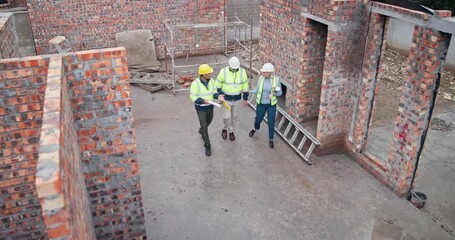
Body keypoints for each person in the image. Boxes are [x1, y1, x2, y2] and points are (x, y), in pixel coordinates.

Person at [190, 64, 223, 156]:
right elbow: (193, 97)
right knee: (204, 125)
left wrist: (218, 96)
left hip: (210, 107)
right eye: (208, 73)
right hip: (201, 108)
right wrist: (203, 101)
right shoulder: (195, 84)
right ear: (203, 75)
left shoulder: (212, 81)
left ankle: (201, 131)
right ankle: (207, 145)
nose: (210, 74)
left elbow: (214, 92)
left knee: (209, 121)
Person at [248, 63, 282, 148]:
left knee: (271, 122)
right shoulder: (261, 79)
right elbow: (256, 90)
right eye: (262, 72)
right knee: (258, 119)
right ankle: (255, 128)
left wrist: (273, 94)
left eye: (264, 72)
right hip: (261, 104)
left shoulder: (276, 80)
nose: (263, 73)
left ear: (269, 72)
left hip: (271, 105)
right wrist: (248, 91)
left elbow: (280, 92)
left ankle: (271, 139)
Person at [216, 56, 249, 141]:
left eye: (236, 68)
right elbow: (218, 84)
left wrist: (245, 98)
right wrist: (220, 95)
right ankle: (224, 128)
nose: (234, 70)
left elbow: (245, 85)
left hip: (237, 99)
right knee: (227, 116)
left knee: (234, 116)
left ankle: (231, 131)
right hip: (226, 99)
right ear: (229, 65)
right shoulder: (223, 72)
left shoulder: (242, 72)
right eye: (232, 68)